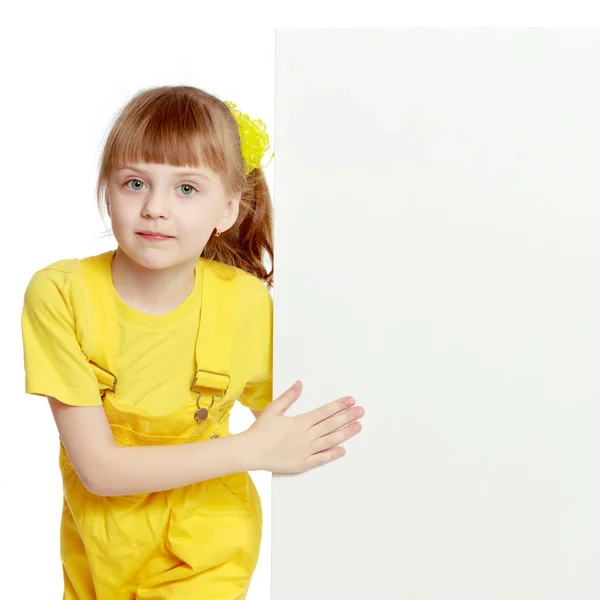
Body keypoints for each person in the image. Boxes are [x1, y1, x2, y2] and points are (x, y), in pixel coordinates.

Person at [20, 85, 366, 600]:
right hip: (99, 553)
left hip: (208, 550)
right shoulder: (62, 294)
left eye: (186, 189)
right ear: (106, 193)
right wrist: (250, 449)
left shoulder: (245, 304)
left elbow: (307, 412)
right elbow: (99, 469)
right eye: (135, 182)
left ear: (227, 208)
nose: (155, 208)